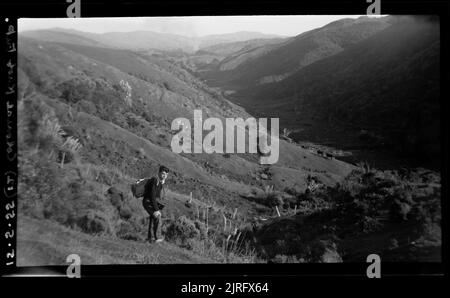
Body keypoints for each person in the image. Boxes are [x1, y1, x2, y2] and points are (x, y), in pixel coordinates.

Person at [142, 165, 169, 243]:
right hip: (147, 202)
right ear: (159, 173)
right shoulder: (155, 180)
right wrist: (156, 209)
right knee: (157, 216)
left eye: (166, 174)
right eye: (163, 173)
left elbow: (157, 196)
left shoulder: (159, 182)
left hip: (150, 202)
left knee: (153, 217)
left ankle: (150, 238)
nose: (165, 176)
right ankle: (158, 238)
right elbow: (152, 195)